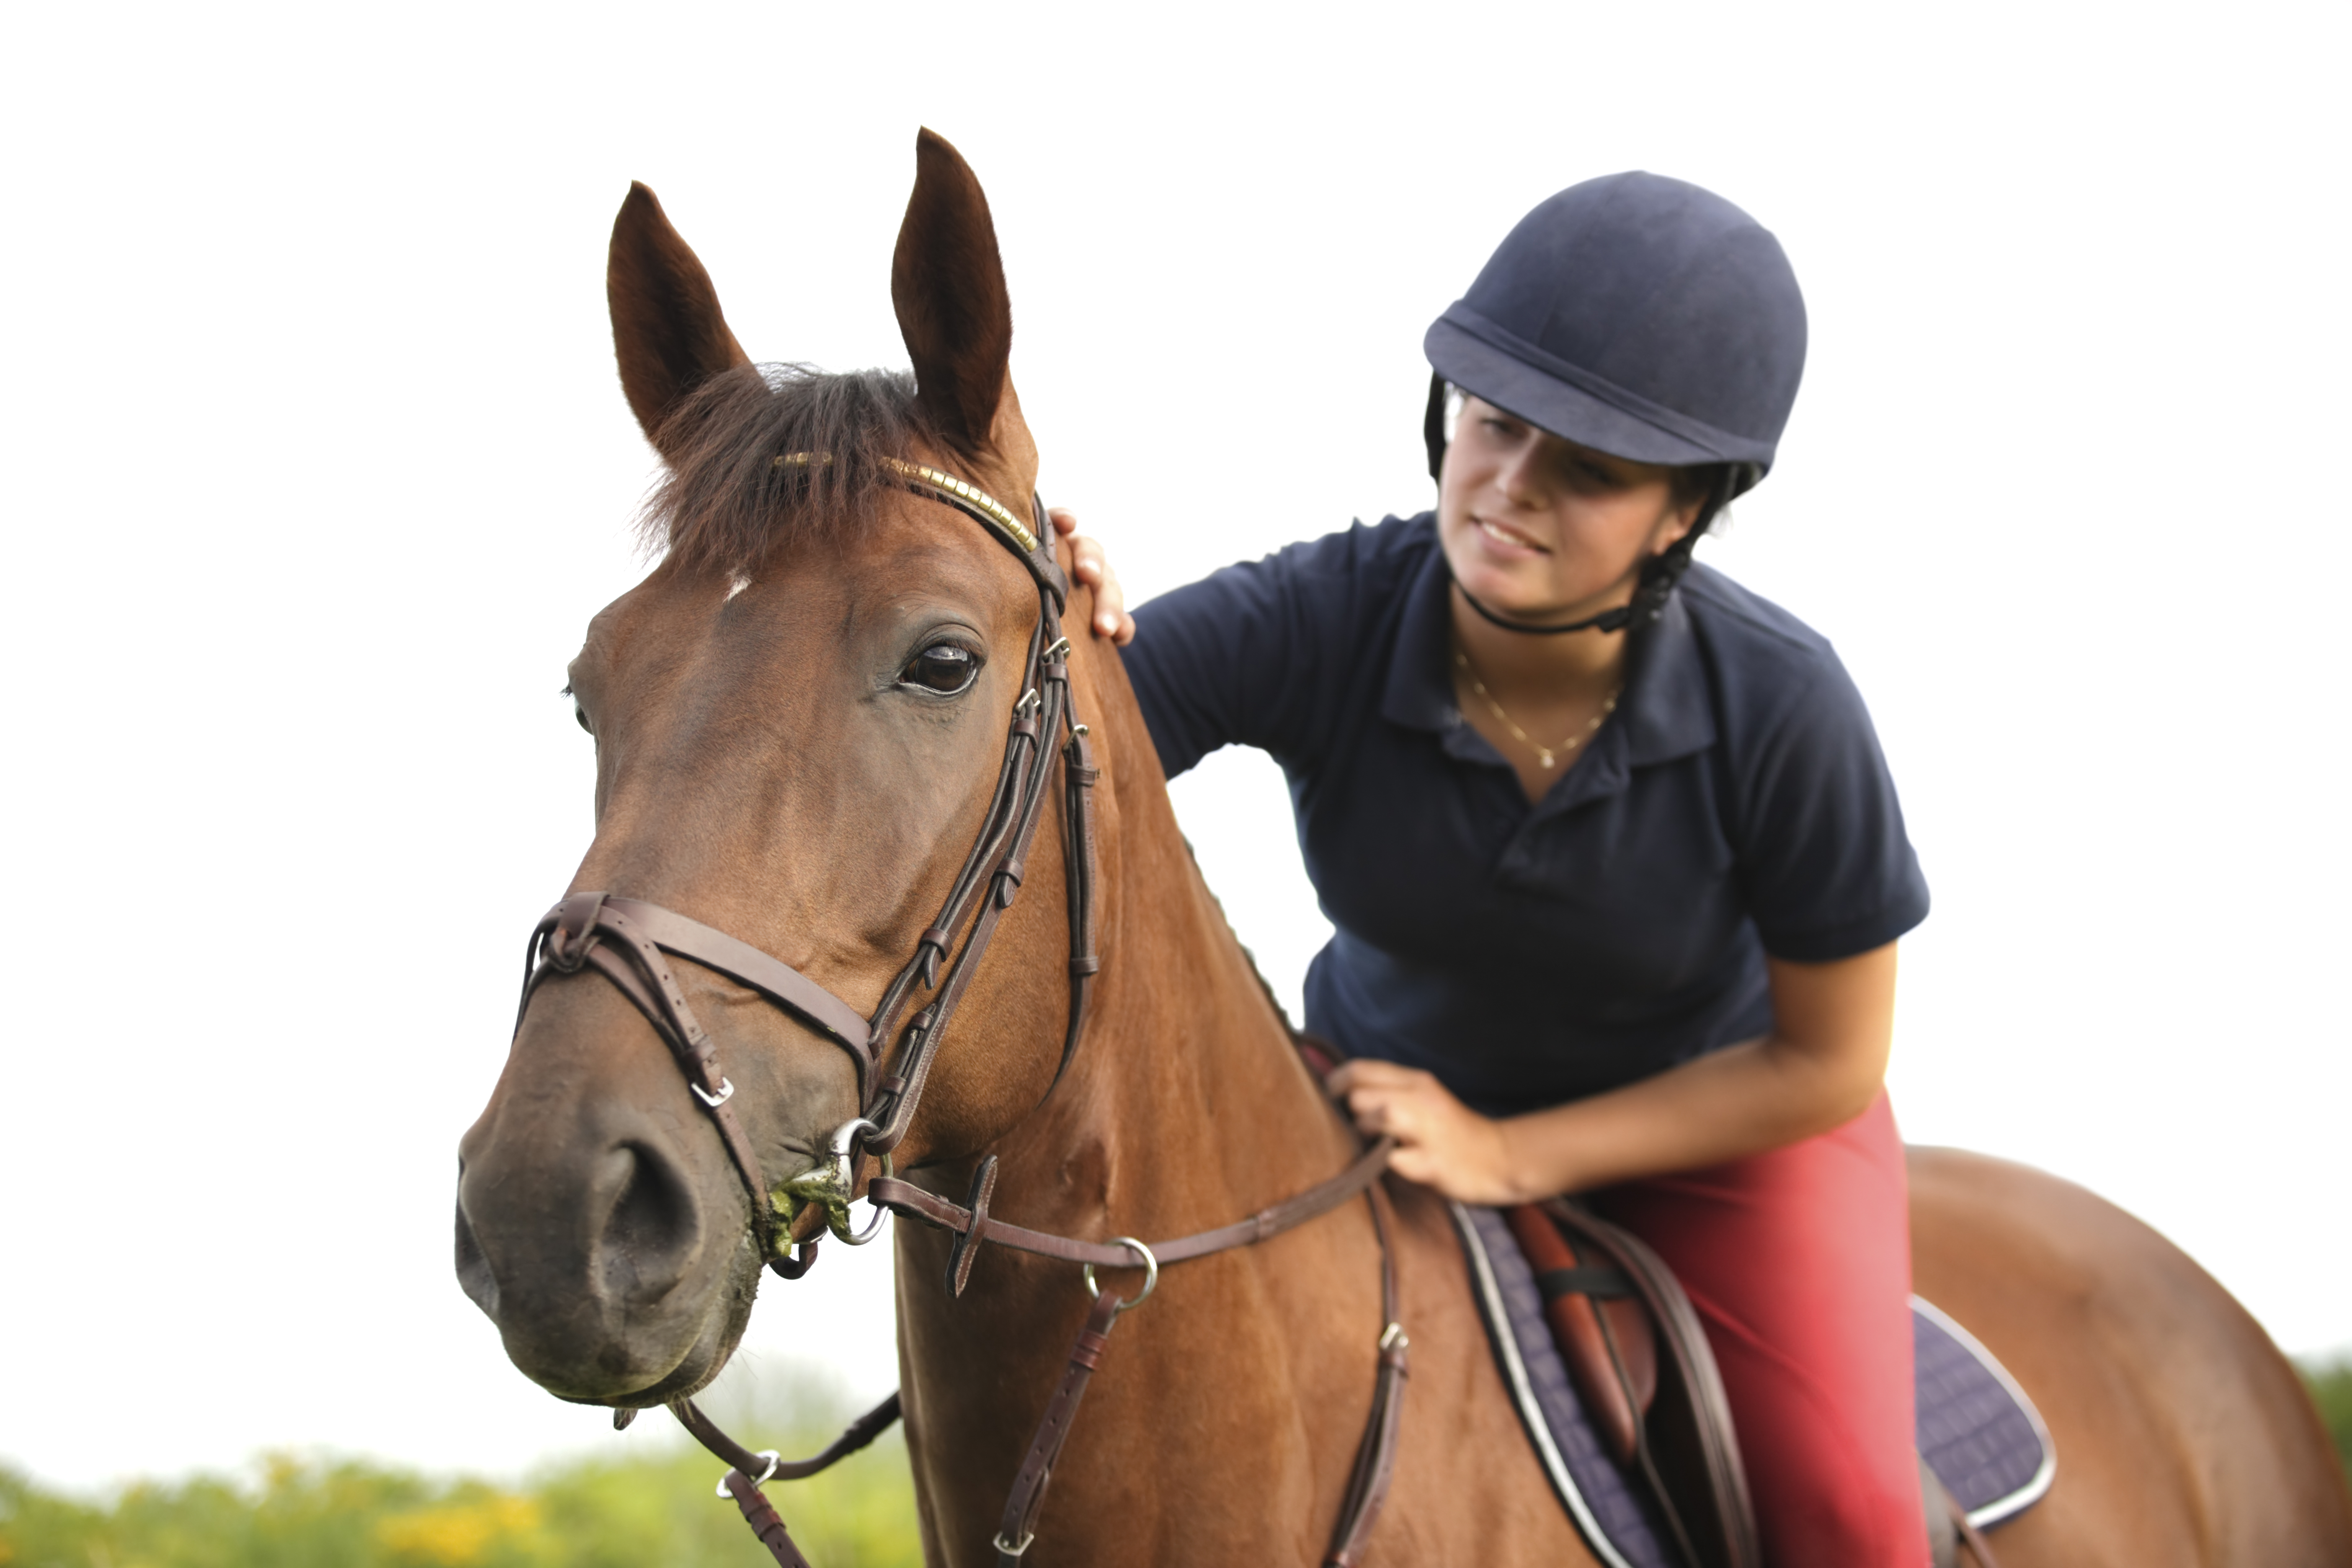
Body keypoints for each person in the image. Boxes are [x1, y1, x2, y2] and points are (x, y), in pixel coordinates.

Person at [1055, 171, 1930, 1567]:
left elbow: (1828, 1062)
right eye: (1496, 423)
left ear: (1685, 514)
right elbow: (1049, 768)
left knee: (1855, 1514)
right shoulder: (1323, 611)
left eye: (1588, 468)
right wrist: (1048, 616)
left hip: (1725, 1132)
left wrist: (1513, 1153)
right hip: (1382, 1103)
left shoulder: (1788, 703)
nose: (1511, 489)